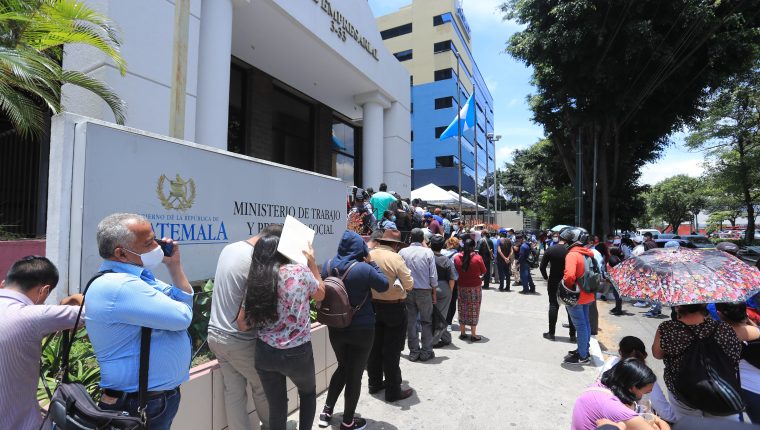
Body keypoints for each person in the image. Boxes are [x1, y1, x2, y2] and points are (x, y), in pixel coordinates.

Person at [86, 213, 192, 429]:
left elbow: (182, 299)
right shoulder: (122, 286)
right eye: (149, 242)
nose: (157, 246)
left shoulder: (138, 278)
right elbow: (183, 316)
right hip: (137, 403)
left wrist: (174, 266)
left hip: (149, 399)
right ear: (121, 253)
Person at [238, 234, 325, 430]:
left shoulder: (257, 279)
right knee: (308, 394)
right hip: (298, 352)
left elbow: (242, 324)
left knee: (276, 406)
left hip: (265, 353)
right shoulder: (300, 272)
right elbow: (321, 293)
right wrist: (311, 261)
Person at [208, 226, 283, 430]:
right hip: (240, 340)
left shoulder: (230, 248)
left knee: (233, 391)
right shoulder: (257, 261)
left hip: (215, 334)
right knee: (263, 387)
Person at [0, 256, 85, 430]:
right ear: (44, 291)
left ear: (4, 283)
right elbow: (96, 313)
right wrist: (74, 299)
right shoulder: (35, 315)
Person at [318, 231, 389, 430]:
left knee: (342, 366)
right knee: (355, 374)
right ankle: (348, 422)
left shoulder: (327, 264)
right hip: (362, 329)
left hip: (336, 327)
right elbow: (384, 285)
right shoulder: (364, 268)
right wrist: (372, 262)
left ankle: (326, 412)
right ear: (360, 247)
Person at [652, 304, 742, 420]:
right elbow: (734, 358)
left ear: (677, 307)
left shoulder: (668, 329)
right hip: (720, 391)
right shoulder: (723, 328)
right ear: (704, 305)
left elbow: (657, 354)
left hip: (683, 391)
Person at [367, 229, 415, 402]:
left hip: (372, 306)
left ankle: (374, 383)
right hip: (394, 308)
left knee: (374, 348)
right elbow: (409, 284)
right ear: (395, 244)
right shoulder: (395, 258)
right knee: (392, 351)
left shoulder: (369, 255)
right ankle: (393, 390)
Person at [571, 358, 671, 430]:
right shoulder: (620, 411)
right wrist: (659, 420)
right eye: (645, 393)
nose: (644, 397)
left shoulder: (597, 387)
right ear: (632, 388)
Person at [598, 336, 677, 423]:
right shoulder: (645, 378)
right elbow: (666, 414)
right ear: (644, 355)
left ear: (620, 352)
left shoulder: (611, 363)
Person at [715, 302, 760, 423]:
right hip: (756, 390)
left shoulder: (721, 335)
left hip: (735, 389)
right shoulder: (756, 331)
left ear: (719, 314)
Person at [399, 228, 438, 361]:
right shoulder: (428, 252)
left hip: (407, 290)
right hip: (424, 291)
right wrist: (434, 292)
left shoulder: (402, 252)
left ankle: (414, 352)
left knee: (411, 321)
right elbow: (433, 276)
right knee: (426, 321)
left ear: (410, 238)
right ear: (422, 239)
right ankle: (426, 351)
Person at [562, 226, 596, 365]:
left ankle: (583, 356)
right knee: (586, 324)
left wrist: (567, 287)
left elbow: (569, 276)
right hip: (588, 295)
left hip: (576, 296)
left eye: (567, 239)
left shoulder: (572, 254)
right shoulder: (587, 253)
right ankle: (584, 350)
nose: (565, 242)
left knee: (580, 326)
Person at [454, 237, 487, 341]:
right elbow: (484, 271)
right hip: (474, 287)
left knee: (462, 308)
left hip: (461, 286)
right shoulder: (478, 258)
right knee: (474, 309)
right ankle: (473, 334)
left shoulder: (457, 257)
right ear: (474, 246)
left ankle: (463, 333)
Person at [540, 231, 569, 341]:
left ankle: (551, 333)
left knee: (553, 305)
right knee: (569, 306)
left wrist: (546, 278)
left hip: (553, 281)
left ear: (559, 237)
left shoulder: (551, 249)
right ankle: (572, 334)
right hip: (567, 281)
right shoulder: (570, 250)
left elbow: (542, 267)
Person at [430, 234, 457, 348]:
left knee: (432, 315)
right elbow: (452, 278)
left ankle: (445, 338)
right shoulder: (446, 260)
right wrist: (449, 292)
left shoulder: (427, 257)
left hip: (428, 287)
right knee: (441, 316)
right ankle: (435, 341)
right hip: (443, 287)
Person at [444, 236, 461, 327]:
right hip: (454, 281)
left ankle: (441, 321)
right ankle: (449, 322)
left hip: (442, 280)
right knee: (452, 302)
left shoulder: (442, 253)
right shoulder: (458, 256)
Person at [607, 247, 625, 316]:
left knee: (617, 294)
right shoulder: (616, 257)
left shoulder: (613, 258)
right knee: (616, 294)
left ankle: (619, 310)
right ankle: (617, 307)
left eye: (608, 250)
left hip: (616, 279)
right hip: (616, 278)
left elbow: (615, 266)